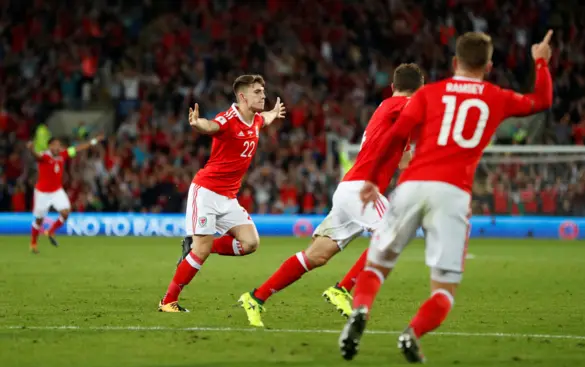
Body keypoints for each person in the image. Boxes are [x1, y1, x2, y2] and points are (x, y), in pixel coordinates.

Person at [339, 30, 554, 363]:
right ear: (489, 65)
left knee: (377, 265)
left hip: (411, 186)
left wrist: (373, 181)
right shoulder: (496, 96)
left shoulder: (429, 94)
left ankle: (361, 310)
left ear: (455, 62)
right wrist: (541, 61)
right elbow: (542, 101)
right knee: (444, 289)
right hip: (453, 193)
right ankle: (411, 333)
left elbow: (394, 135)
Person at [237, 64, 424, 327]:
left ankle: (256, 297)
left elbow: (405, 160)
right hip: (361, 189)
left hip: (350, 191)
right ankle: (342, 289)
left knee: (316, 256)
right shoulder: (397, 105)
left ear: (392, 85)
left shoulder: (394, 118)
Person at [158, 74, 286, 313]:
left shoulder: (256, 120)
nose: (263, 96)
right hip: (206, 192)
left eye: (263, 91)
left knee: (250, 243)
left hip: (228, 197)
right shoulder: (228, 119)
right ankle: (168, 301)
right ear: (242, 96)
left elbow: (265, 118)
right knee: (202, 251)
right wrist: (198, 124)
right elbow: (211, 126)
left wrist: (274, 113)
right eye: (257, 92)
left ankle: (197, 246)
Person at [27, 135, 104, 253]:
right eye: (55, 145)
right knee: (39, 220)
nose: (58, 147)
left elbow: (79, 148)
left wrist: (94, 141)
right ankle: (33, 243)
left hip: (57, 191)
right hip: (42, 192)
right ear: (50, 146)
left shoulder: (63, 154)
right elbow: (36, 156)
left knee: (66, 212)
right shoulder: (44, 155)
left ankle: (51, 231)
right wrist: (31, 149)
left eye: (59, 145)